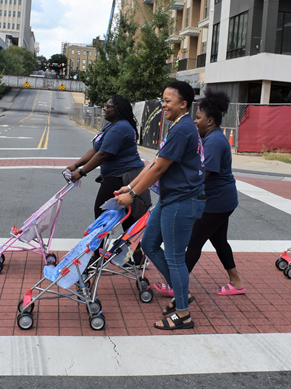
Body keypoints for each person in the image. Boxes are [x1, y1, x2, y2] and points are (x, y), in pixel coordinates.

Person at [115, 81, 205, 330]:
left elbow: (160, 169)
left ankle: (183, 313)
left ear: (183, 104)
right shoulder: (179, 126)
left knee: (175, 258)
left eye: (168, 101)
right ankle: (182, 295)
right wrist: (130, 186)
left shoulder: (182, 129)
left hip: (181, 202)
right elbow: (155, 163)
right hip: (171, 199)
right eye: (162, 100)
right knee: (149, 244)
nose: (163, 105)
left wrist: (132, 194)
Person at [152, 89, 244, 297]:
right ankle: (236, 283)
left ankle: (175, 286)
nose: (195, 121)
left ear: (210, 121)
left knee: (193, 243)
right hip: (223, 201)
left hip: (216, 202)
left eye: (199, 118)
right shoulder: (212, 138)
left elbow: (201, 176)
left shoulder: (213, 142)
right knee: (219, 241)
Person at [65, 94, 151, 264]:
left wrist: (81, 173)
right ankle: (137, 255)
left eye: (108, 106)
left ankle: (98, 255)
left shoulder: (120, 128)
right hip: (116, 174)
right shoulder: (112, 126)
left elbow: (104, 154)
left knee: (102, 213)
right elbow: (96, 149)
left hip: (123, 176)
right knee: (128, 216)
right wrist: (76, 165)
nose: (104, 108)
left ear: (117, 109)